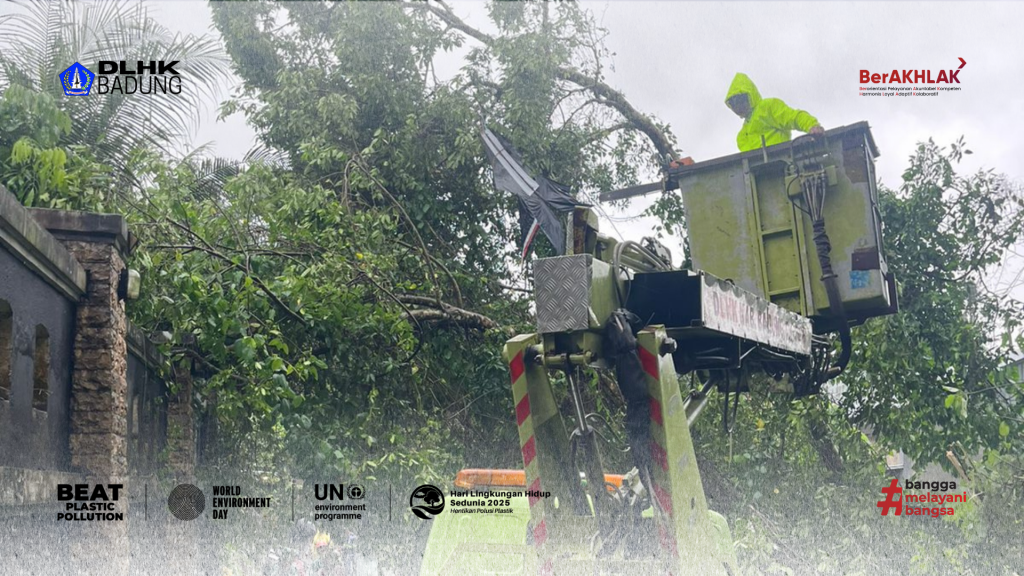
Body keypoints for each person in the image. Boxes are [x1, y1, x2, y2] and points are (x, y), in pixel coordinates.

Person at [725, 72, 824, 152]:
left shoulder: (767, 108)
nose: (737, 107)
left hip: (783, 163)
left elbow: (792, 117)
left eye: (739, 100)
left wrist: (811, 125)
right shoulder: (742, 137)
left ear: (749, 96)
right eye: (733, 104)